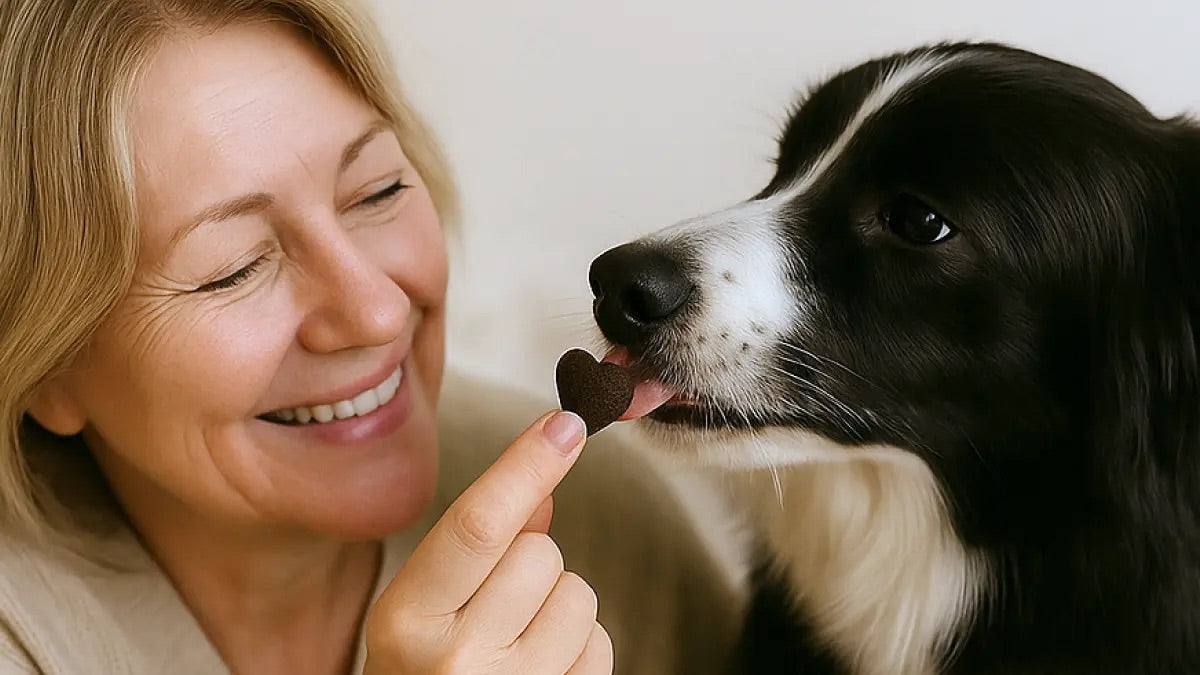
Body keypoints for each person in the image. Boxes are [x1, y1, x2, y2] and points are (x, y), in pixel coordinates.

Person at [0, 1, 743, 673]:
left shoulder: (612, 525)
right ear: (44, 368)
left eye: (378, 191)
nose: (377, 312)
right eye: (232, 269)